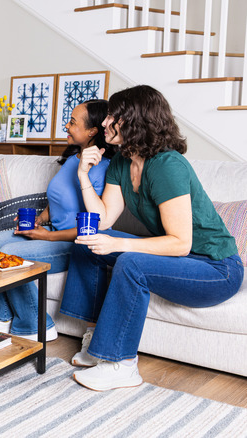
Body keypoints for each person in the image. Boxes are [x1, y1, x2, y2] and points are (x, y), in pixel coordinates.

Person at [59, 85, 244, 391]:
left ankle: (121, 365)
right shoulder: (122, 162)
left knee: (132, 264)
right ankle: (95, 341)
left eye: (112, 117)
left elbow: (180, 243)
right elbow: (103, 219)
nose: (104, 123)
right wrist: (83, 175)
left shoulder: (167, 165)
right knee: (89, 240)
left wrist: (119, 244)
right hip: (179, 259)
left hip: (216, 269)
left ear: (135, 121)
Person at [0, 100, 115, 342]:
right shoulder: (73, 159)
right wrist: (40, 220)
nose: (66, 126)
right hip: (52, 232)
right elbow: (58, 199)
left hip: (76, 243)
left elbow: (95, 225)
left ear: (92, 131)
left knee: (12, 254)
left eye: (72, 122)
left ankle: (38, 325)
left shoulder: (104, 169)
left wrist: (48, 236)